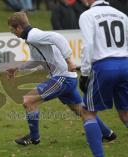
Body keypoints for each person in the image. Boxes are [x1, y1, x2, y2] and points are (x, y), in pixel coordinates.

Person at [7, 12, 116, 146]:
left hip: (63, 78)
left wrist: (69, 61)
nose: (13, 33)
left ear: (18, 27)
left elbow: (57, 37)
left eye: (13, 30)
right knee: (81, 110)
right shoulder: (31, 38)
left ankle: (34, 137)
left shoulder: (33, 35)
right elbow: (36, 60)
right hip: (67, 78)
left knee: (28, 101)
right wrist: (17, 68)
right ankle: (108, 134)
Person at [79, 0, 128, 156]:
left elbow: (88, 45)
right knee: (125, 113)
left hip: (104, 66)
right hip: (125, 64)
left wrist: (85, 73)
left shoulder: (87, 15)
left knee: (88, 113)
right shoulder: (122, 15)